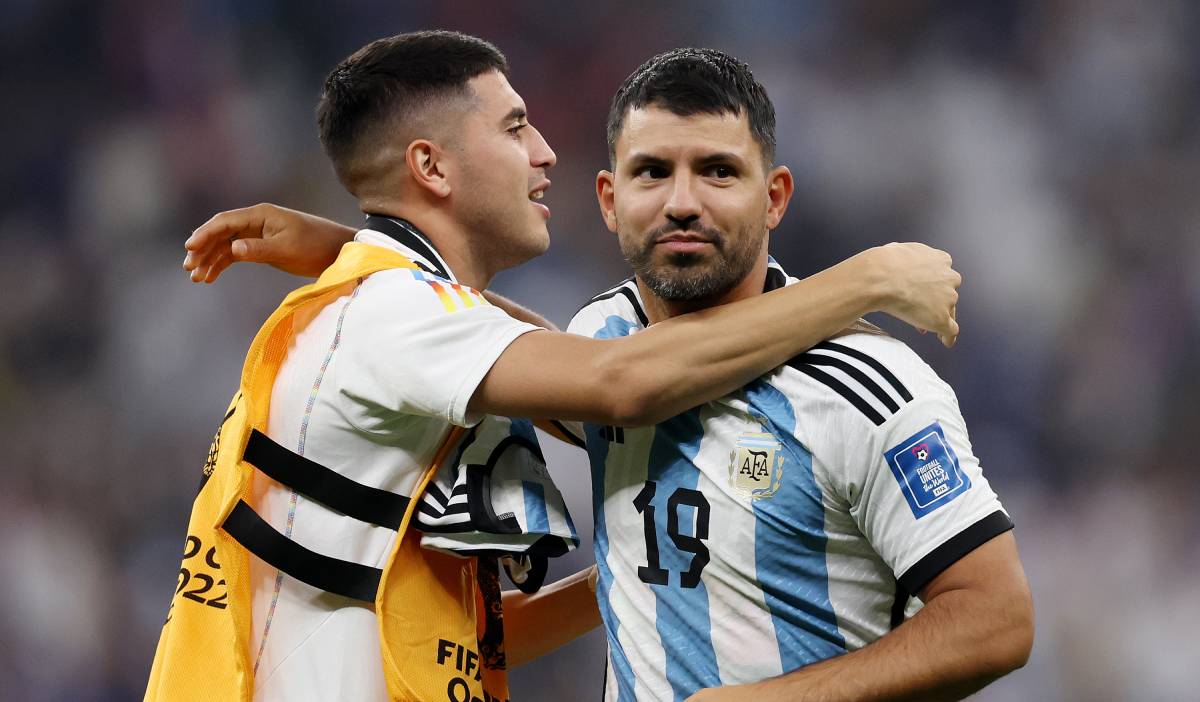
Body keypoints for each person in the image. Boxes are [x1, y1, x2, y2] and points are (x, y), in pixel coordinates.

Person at [157, 31, 965, 702]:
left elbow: (479, 631)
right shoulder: (392, 316)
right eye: (513, 128)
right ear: (432, 168)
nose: (545, 153)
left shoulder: (386, 311)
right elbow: (623, 383)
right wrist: (871, 278)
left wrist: (657, 573)